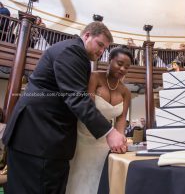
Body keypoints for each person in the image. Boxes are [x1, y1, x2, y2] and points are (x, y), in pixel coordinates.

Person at [2, 21, 126, 193]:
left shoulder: (74, 53)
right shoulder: (72, 51)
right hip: (38, 137)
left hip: (45, 137)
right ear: (87, 35)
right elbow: (76, 97)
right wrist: (109, 131)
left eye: (105, 48)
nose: (101, 51)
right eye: (100, 44)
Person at [66, 46, 132, 194]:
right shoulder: (94, 77)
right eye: (119, 63)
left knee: (99, 179)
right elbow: (87, 107)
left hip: (106, 142)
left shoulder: (126, 92)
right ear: (110, 60)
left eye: (126, 67)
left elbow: (121, 120)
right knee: (79, 178)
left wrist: (120, 138)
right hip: (84, 136)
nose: (122, 69)